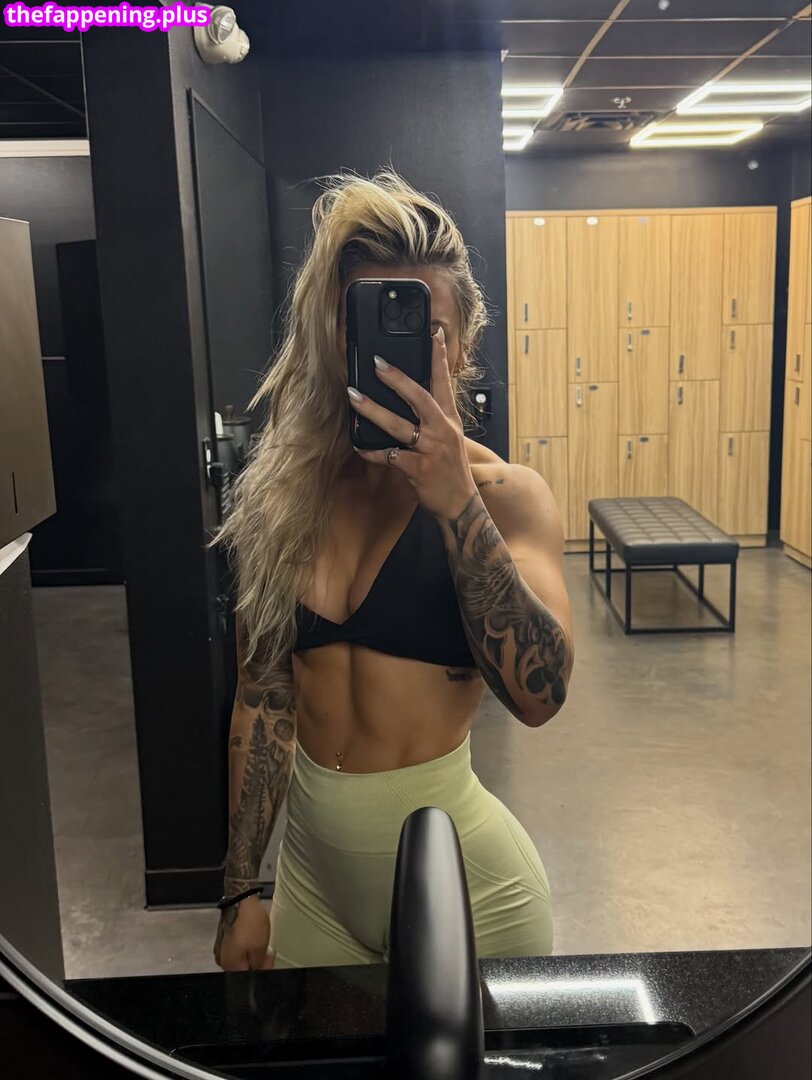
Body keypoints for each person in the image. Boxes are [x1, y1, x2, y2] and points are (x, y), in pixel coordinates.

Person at [212, 170, 574, 972]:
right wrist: (240, 891)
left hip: (467, 895)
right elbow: (262, 698)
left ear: (463, 346)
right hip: (314, 891)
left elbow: (541, 695)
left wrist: (454, 505)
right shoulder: (283, 499)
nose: (392, 358)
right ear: (335, 338)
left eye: (427, 331)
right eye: (366, 327)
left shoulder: (506, 497)